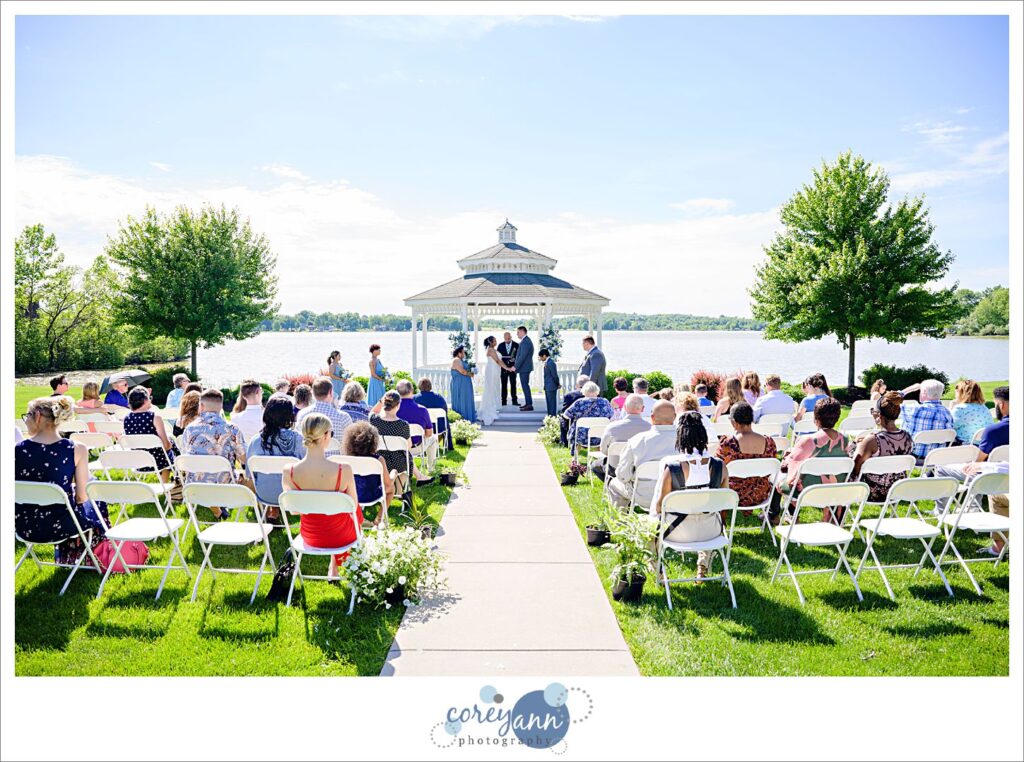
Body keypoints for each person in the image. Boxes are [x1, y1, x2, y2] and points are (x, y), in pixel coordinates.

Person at [15, 396, 109, 565]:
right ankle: (81, 556)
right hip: (62, 526)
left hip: (23, 526)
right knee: (97, 501)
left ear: (37, 416)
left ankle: (72, 557)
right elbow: (81, 497)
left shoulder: (15, 450)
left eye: (27, 415)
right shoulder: (76, 449)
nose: (26, 420)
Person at [650, 411, 730, 580]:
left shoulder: (672, 467)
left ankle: (660, 573)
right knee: (709, 514)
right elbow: (723, 506)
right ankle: (703, 565)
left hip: (676, 532)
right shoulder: (720, 466)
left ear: (680, 437)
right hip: (712, 532)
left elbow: (659, 506)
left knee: (647, 527)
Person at [282, 413, 362, 581]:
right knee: (357, 510)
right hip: (342, 537)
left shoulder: (288, 471)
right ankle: (338, 564)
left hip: (310, 537)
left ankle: (334, 565)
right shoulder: (343, 469)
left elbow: (294, 511)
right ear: (326, 435)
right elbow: (352, 508)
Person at [769, 397, 849, 524]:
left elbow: (792, 474)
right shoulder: (844, 439)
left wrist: (787, 458)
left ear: (815, 420)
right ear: (837, 418)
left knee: (775, 477)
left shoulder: (808, 440)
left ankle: (776, 516)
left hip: (806, 491)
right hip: (834, 490)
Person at [182, 390, 247, 519]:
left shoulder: (190, 428)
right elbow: (244, 458)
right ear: (221, 406)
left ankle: (216, 509)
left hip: (195, 483)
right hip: (224, 482)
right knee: (246, 475)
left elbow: (184, 457)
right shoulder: (232, 428)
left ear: (201, 406)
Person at [607, 401, 679, 508]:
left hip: (643, 496)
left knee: (613, 483)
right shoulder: (686, 440)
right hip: (675, 496)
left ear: (652, 417)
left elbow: (623, 475)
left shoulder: (637, 440)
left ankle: (620, 521)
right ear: (674, 417)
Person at [246, 396, 305, 522]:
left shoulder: (256, 440)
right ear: (290, 416)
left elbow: (249, 474)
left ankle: (273, 511)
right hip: (292, 494)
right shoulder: (299, 439)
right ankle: (275, 511)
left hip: (264, 493)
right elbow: (307, 468)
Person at [847, 392, 913, 503]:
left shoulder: (872, 440)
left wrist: (853, 445)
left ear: (879, 416)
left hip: (869, 492)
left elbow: (854, 467)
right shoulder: (907, 437)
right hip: (896, 490)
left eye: (873, 412)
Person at [718, 402, 778, 508]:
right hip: (760, 493)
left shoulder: (728, 443)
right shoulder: (769, 442)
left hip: (733, 495)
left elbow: (717, 466)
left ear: (734, 422)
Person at [343, 421, 396, 527]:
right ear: (373, 442)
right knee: (391, 488)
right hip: (372, 494)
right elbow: (388, 483)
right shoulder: (378, 460)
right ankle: (379, 518)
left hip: (351, 495)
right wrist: (394, 474)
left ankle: (356, 517)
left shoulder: (347, 459)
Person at [592, 393, 650, 480]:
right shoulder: (650, 427)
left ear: (625, 408)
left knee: (595, 465)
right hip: (641, 467)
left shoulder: (612, 427)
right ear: (643, 409)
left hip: (615, 467)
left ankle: (611, 484)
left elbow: (604, 450)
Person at [123, 386, 174, 480]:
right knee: (172, 447)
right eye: (149, 398)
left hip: (138, 460)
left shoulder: (126, 419)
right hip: (158, 461)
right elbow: (166, 446)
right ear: (145, 401)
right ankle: (167, 485)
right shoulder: (155, 417)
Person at [898, 379, 954, 462]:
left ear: (924, 392)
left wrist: (909, 389)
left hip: (911, 456)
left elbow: (885, 403)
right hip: (936, 457)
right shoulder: (947, 413)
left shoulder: (914, 409)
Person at [370, 390, 413, 495]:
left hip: (380, 460)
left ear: (384, 403)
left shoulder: (374, 421)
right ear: (398, 405)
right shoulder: (403, 425)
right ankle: (399, 490)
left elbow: (372, 411)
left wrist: (381, 401)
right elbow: (409, 446)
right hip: (399, 463)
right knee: (407, 459)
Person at [296, 377, 353, 451]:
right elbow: (351, 443)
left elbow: (299, 440)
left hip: (310, 459)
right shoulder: (343, 417)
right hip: (335, 460)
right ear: (330, 392)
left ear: (313, 393)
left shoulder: (302, 414)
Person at [396, 379, 438, 475]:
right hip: (416, 447)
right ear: (412, 391)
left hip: (396, 447)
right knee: (433, 439)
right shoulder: (422, 410)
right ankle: (431, 469)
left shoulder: (392, 410)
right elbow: (429, 433)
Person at [562, 381, 614, 456]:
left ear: (584, 391)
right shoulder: (605, 402)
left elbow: (566, 416)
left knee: (575, 429)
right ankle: (601, 459)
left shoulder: (579, 402)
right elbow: (612, 416)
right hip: (599, 436)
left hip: (581, 437)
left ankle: (575, 459)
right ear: (597, 391)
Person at [480, 335, 515, 425]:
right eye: (495, 341)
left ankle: (495, 404)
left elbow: (499, 360)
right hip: (492, 370)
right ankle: (491, 406)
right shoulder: (491, 350)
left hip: (495, 370)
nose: (496, 342)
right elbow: (498, 361)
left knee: (495, 387)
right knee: (491, 387)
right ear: (491, 342)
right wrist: (507, 368)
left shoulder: (493, 349)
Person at [951, 379, 991, 444]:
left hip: (967, 446)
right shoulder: (984, 407)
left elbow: (950, 428)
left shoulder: (960, 408)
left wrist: (951, 407)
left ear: (961, 393)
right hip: (985, 445)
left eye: (956, 392)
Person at [415, 377, 451, 449]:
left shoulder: (415, 398)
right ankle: (447, 445)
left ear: (419, 386)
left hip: (422, 427)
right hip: (440, 427)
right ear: (430, 386)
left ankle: (419, 445)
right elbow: (445, 412)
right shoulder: (439, 397)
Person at [230, 379, 266, 446]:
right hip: (262, 454)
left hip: (242, 455)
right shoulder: (268, 417)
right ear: (258, 392)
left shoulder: (235, 418)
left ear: (243, 396)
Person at [449, 346, 477, 423]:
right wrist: (470, 374)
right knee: (461, 400)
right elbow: (462, 371)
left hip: (465, 384)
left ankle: (468, 419)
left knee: (466, 399)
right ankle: (461, 420)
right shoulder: (456, 360)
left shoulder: (461, 360)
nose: (464, 354)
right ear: (459, 353)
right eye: (463, 352)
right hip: (460, 384)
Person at [559, 375, 588, 446]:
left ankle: (565, 442)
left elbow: (565, 411)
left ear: (577, 385)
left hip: (574, 422)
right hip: (592, 423)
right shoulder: (596, 395)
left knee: (562, 419)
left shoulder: (569, 395)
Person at [514, 326, 535, 411]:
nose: (517, 334)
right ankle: (527, 403)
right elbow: (521, 355)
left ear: (523, 332)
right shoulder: (525, 341)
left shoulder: (526, 342)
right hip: (524, 368)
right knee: (525, 386)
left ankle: (529, 405)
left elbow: (523, 356)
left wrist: (515, 367)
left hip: (525, 368)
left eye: (518, 332)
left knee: (525, 386)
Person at [498, 331, 519, 407]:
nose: (507, 340)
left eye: (508, 338)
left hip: (513, 368)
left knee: (513, 384)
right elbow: (498, 358)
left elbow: (519, 357)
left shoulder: (516, 345)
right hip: (503, 368)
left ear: (511, 337)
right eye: (505, 339)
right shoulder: (500, 345)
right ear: (504, 338)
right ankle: (503, 401)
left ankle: (514, 401)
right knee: (503, 385)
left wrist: (515, 362)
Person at [540, 349, 561, 418]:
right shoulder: (547, 362)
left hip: (551, 386)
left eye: (541, 357)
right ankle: (549, 418)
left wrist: (558, 384)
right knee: (549, 403)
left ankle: (552, 418)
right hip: (548, 387)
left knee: (552, 404)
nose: (540, 358)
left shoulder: (551, 363)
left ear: (545, 356)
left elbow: (554, 375)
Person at [367, 344, 387, 408]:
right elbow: (373, 374)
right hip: (375, 382)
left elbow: (382, 370)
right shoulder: (372, 361)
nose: (380, 351)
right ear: (374, 351)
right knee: (376, 397)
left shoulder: (378, 360)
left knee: (381, 396)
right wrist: (382, 379)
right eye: (378, 349)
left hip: (379, 381)